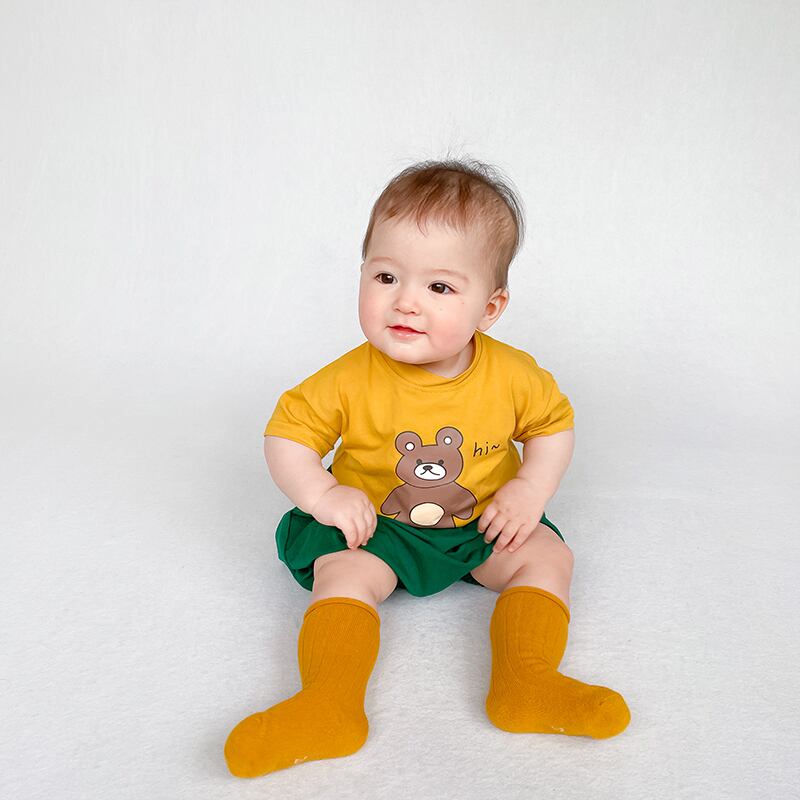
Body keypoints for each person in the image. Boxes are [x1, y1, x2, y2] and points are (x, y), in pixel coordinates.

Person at [224, 158, 631, 778]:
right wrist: (325, 495)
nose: (406, 301)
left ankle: (527, 682)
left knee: (547, 557)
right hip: (378, 527)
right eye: (386, 276)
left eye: (439, 288)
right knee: (344, 573)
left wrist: (529, 489)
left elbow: (553, 427)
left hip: (482, 521)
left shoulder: (513, 375)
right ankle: (328, 705)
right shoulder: (348, 378)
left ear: (489, 308)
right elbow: (287, 437)